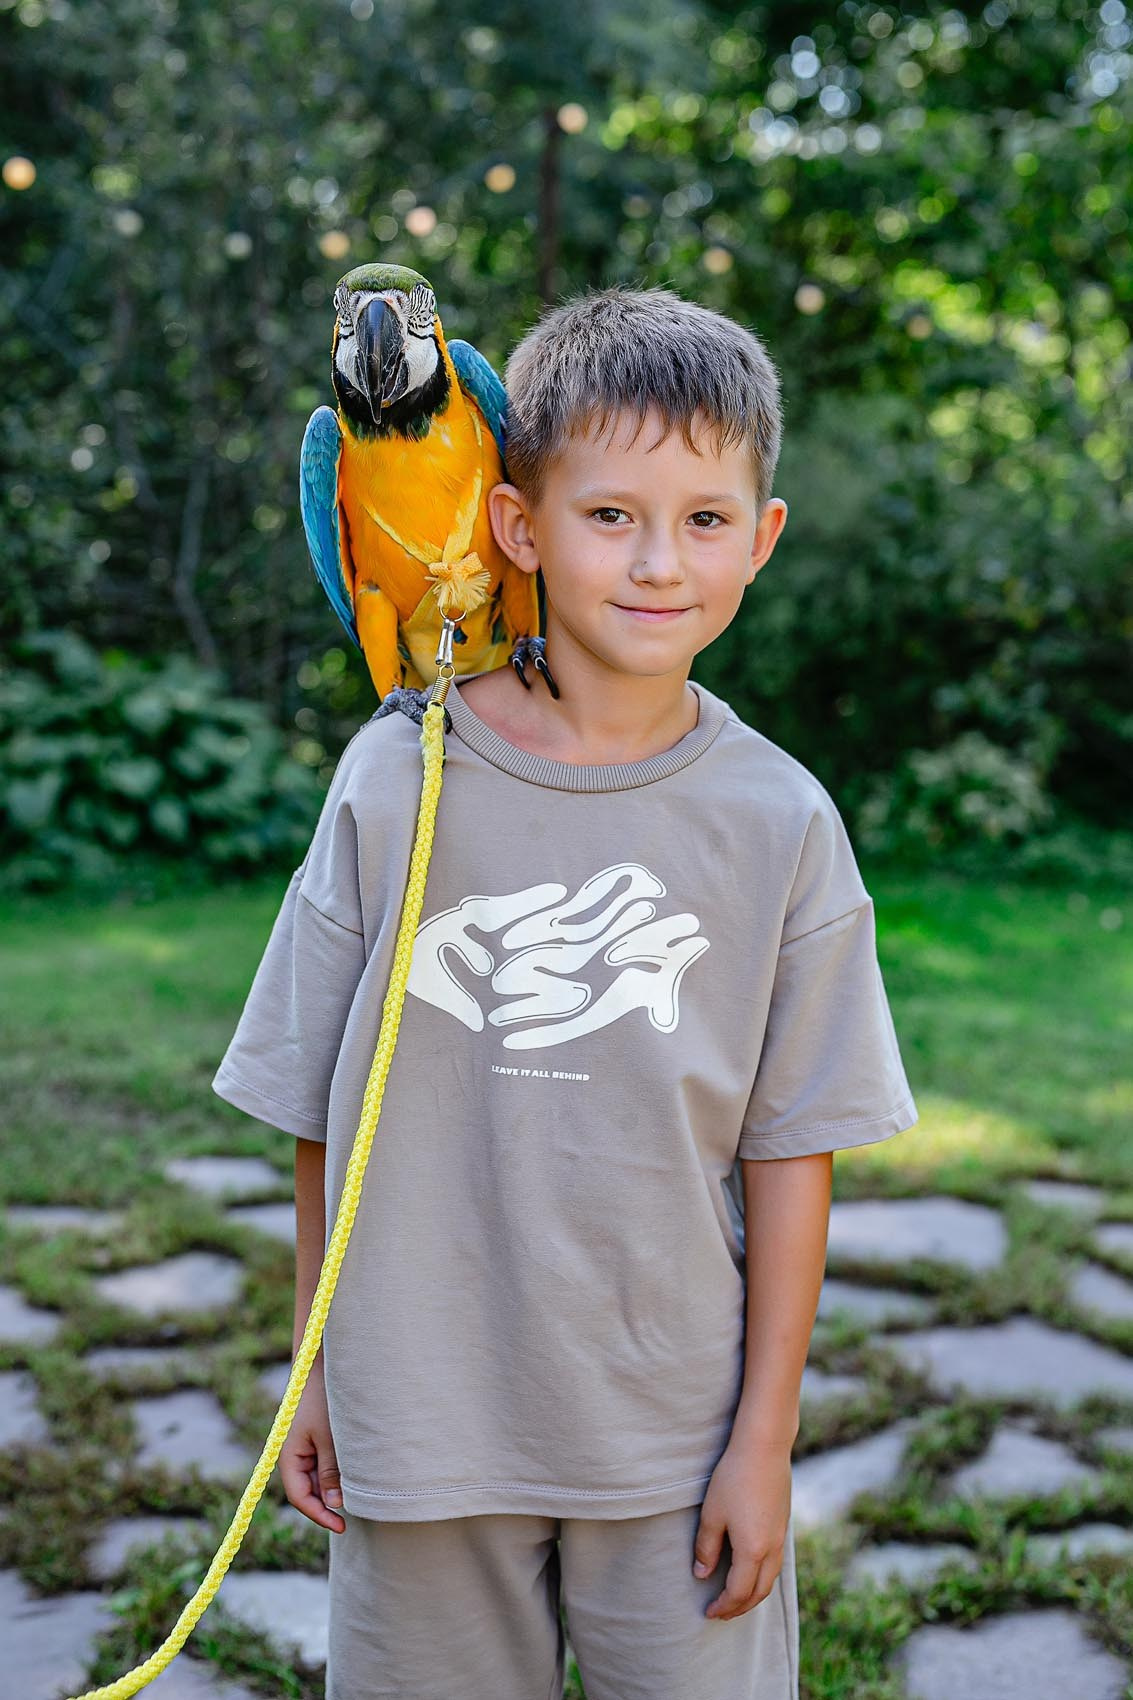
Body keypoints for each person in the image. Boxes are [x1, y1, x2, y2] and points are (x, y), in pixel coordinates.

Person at [211, 282, 919, 1700]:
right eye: (610, 517)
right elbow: (314, 1107)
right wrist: (318, 1362)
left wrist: (762, 1442)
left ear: (761, 539)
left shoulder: (781, 821)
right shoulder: (395, 778)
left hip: (669, 1434)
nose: (659, 563)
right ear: (517, 526)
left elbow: (793, 1152)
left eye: (704, 521)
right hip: (422, 1420)